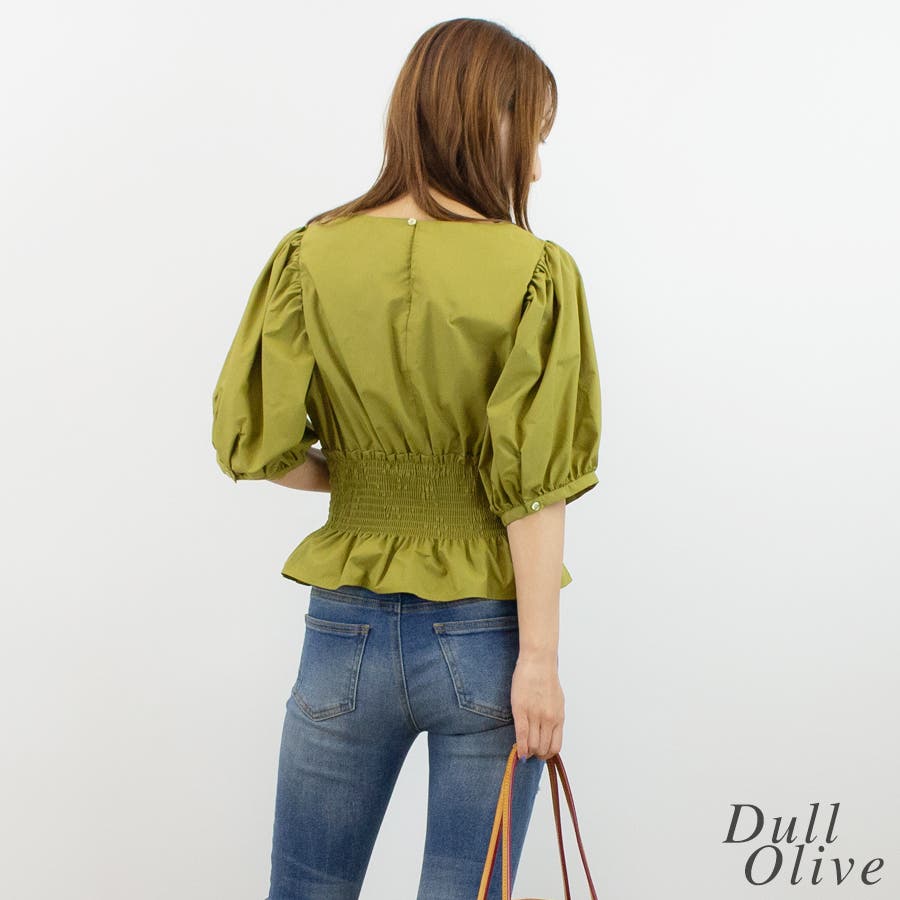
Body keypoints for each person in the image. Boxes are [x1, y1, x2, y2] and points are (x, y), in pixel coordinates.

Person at [210, 16, 602, 900]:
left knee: (305, 888)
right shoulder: (535, 270)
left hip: (342, 629)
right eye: (533, 136)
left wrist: (365, 481)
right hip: (484, 637)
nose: (537, 167)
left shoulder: (309, 255)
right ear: (488, 120)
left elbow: (258, 443)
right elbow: (536, 486)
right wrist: (539, 663)